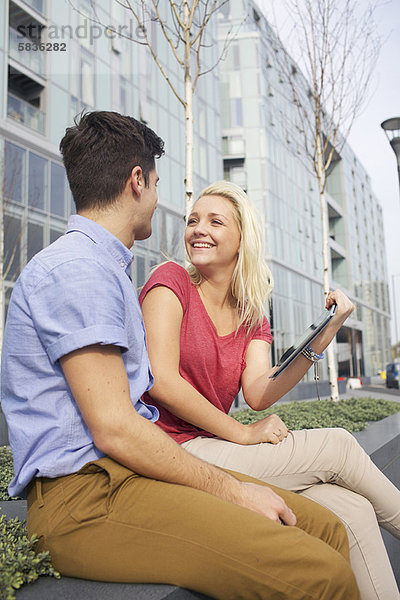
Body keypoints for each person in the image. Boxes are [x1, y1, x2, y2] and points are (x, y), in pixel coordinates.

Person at [1, 112, 360, 600]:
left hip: (130, 474)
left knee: (326, 527)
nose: (160, 201)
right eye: (156, 185)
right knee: (323, 575)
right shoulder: (79, 270)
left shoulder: (105, 268)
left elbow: (254, 391)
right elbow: (114, 426)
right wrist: (235, 489)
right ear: (136, 181)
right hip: (85, 500)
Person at [139, 180, 400, 600]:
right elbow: (163, 381)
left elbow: (259, 392)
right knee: (338, 444)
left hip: (214, 446)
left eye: (214, 221)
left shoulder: (250, 312)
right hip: (170, 448)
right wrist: (243, 432)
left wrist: (326, 332)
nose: (198, 229)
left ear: (242, 240)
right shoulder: (170, 281)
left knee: (354, 510)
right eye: (193, 220)